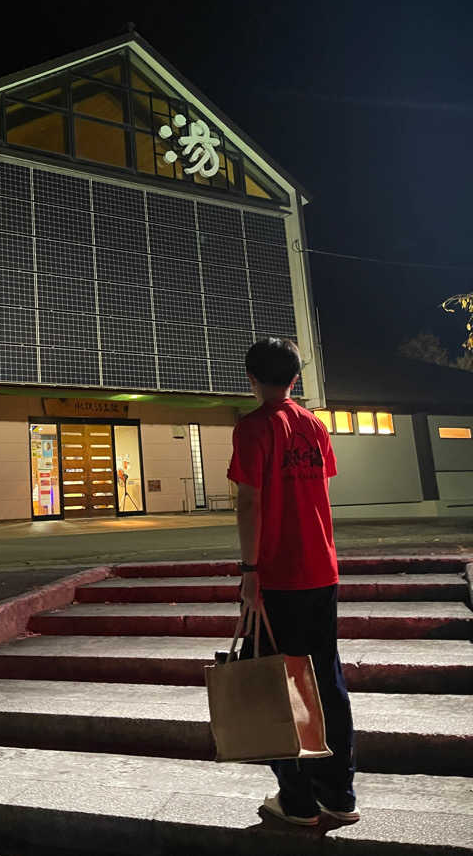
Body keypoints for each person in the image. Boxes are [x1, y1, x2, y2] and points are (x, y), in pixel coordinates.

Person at [227, 337, 358, 828]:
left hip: (276, 577)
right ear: (296, 377)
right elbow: (320, 489)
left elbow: (249, 503)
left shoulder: (254, 427)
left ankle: (297, 801)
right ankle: (340, 795)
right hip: (321, 570)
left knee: (282, 685)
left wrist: (249, 572)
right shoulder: (313, 425)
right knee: (327, 678)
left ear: (251, 378)